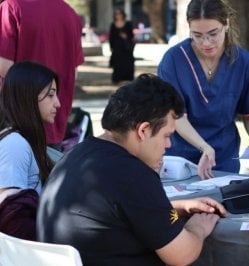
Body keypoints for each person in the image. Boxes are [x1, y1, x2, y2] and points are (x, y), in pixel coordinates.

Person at [37, 74, 226, 266]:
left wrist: (174, 208)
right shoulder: (132, 174)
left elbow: (118, 212)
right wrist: (198, 228)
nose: (168, 144)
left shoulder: (76, 154)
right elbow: (182, 255)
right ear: (143, 130)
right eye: (166, 136)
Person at [157, 0, 249, 179]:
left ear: (225, 24)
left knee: (220, 205)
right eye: (197, 35)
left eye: (213, 33)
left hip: (224, 160)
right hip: (178, 161)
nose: (206, 42)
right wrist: (204, 147)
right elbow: (176, 116)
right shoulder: (173, 61)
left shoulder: (246, 63)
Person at [0, 0, 84, 147]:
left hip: (16, 125)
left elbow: (3, 67)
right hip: (54, 123)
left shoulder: (11, 7)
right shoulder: (71, 14)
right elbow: (73, 74)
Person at [0, 61, 60, 240]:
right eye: (50, 95)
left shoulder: (21, 139)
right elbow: (10, 218)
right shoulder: (14, 144)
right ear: (28, 96)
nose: (57, 103)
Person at [109, 7, 135, 84]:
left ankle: (128, 78)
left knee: (128, 62)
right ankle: (117, 79)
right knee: (117, 63)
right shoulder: (113, 25)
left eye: (120, 13)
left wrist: (126, 36)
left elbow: (132, 36)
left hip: (126, 47)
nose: (118, 15)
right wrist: (111, 46)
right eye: (116, 14)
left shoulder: (128, 24)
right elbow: (111, 37)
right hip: (117, 48)